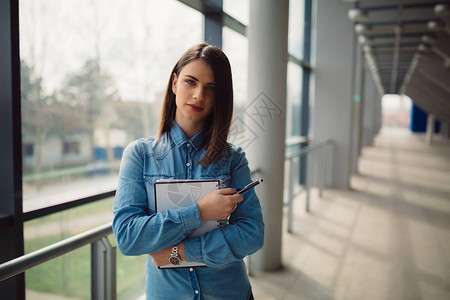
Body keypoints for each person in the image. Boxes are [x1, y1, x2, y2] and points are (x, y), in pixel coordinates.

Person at [113, 43, 264, 300]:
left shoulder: (233, 159)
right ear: (174, 83)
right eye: (190, 82)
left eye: (211, 88)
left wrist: (179, 253)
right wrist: (199, 212)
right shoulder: (139, 155)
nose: (198, 95)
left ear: (220, 96)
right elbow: (127, 236)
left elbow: (252, 233)